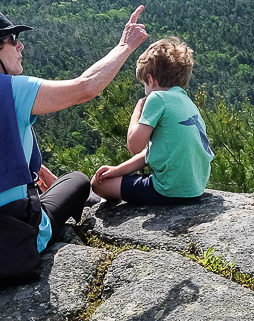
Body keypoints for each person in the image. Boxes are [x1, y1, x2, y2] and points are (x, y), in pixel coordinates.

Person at [0, 5, 149, 267]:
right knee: (77, 181)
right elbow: (85, 88)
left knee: (44, 184)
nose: (20, 46)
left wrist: (30, 165)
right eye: (11, 40)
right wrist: (125, 46)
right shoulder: (8, 89)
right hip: (3, 240)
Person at [91, 36, 213, 205]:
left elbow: (134, 146)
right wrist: (118, 170)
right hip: (195, 189)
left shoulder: (157, 97)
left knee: (98, 184)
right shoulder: (187, 102)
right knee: (116, 178)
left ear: (150, 79)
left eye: (144, 85)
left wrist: (137, 111)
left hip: (167, 190)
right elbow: (150, 152)